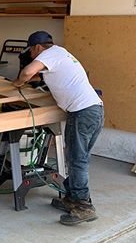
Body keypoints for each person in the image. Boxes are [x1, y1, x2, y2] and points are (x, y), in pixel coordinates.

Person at [13, 31, 104, 226]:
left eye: (31, 51)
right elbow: (44, 77)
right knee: (78, 158)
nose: (30, 55)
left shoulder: (49, 54)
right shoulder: (59, 54)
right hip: (92, 110)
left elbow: (28, 73)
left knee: (77, 160)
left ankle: (83, 207)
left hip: (83, 112)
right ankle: (71, 199)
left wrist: (18, 82)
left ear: (38, 47)